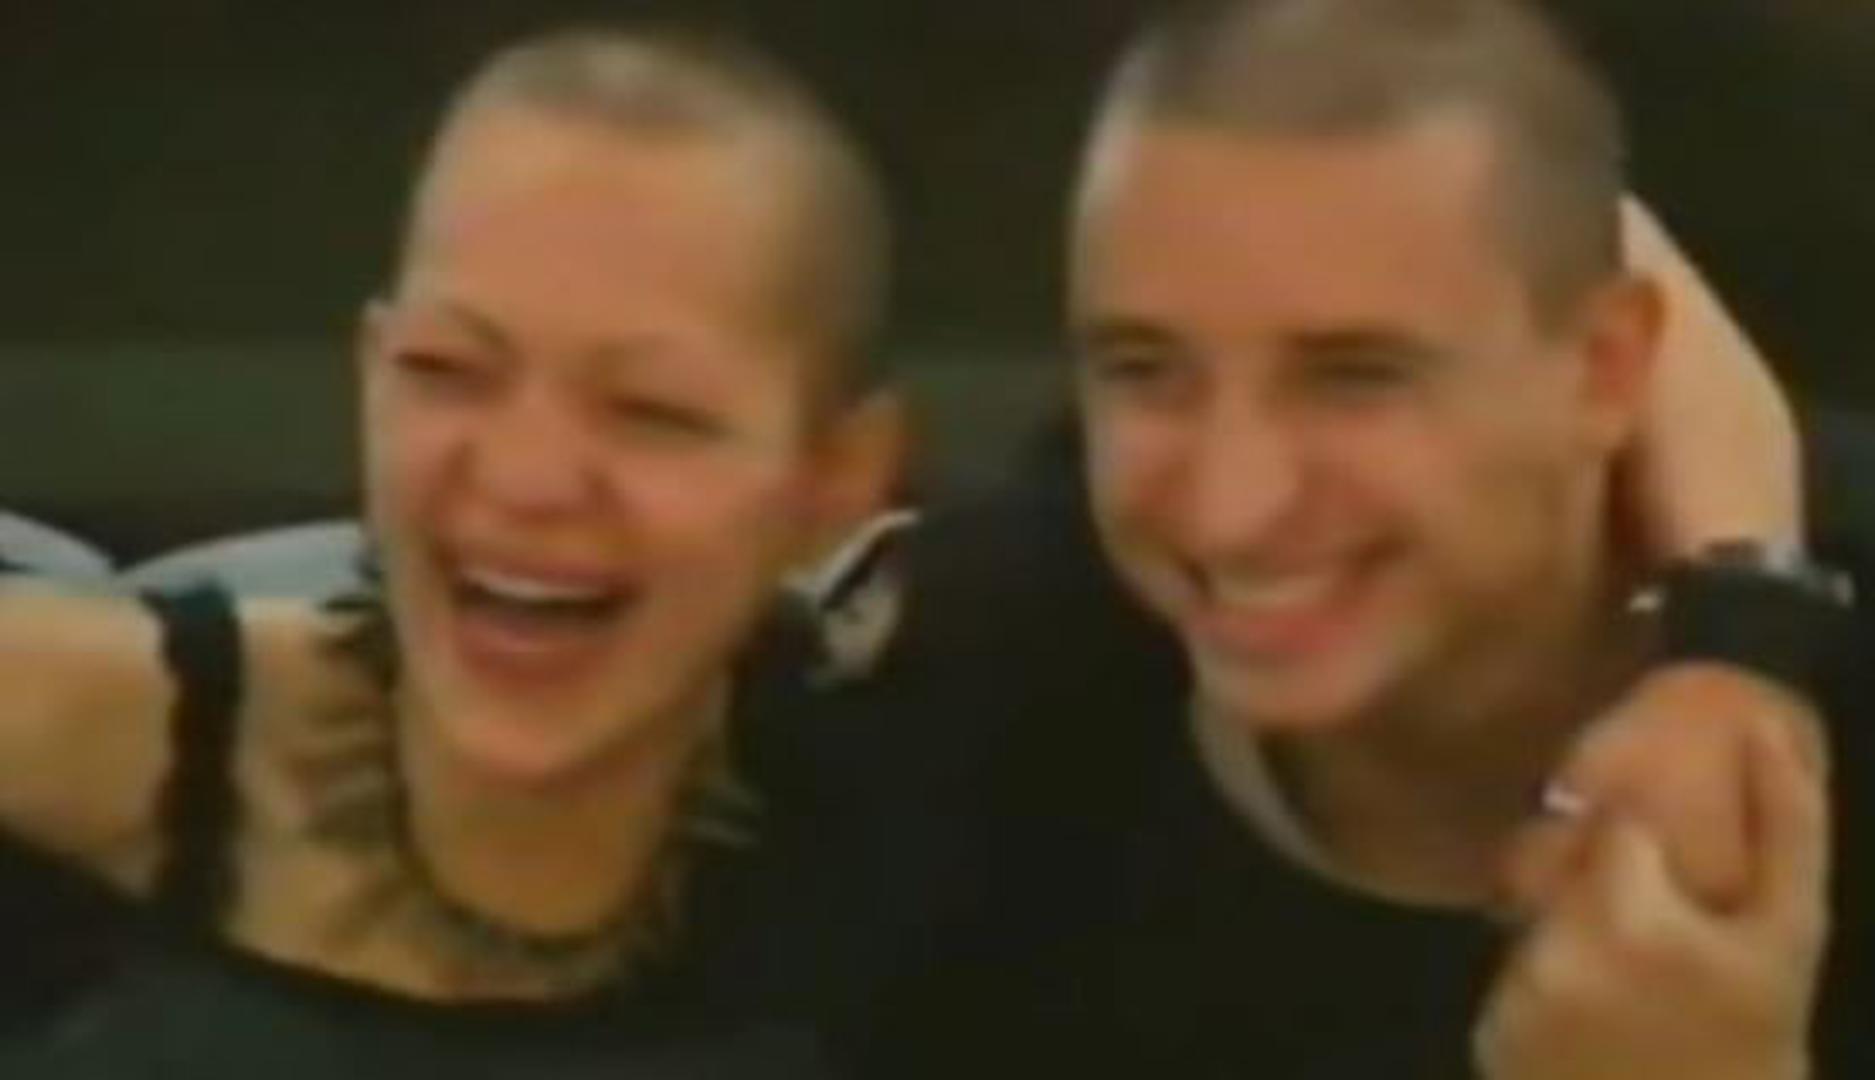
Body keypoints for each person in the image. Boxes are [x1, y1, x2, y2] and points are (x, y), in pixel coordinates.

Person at [824, 1, 1872, 1077]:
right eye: (1144, 370)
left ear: (1605, 370)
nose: (1231, 508)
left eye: (1355, 378)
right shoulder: (963, 720)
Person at [0, 23, 901, 1077]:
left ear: (837, 477)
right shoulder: (74, 739)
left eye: (653, 411)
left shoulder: (935, 819)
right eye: (445, 369)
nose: (525, 479)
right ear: (370, 375)